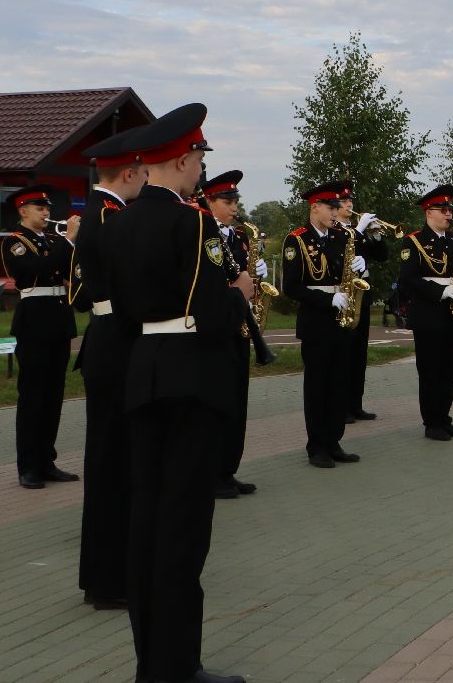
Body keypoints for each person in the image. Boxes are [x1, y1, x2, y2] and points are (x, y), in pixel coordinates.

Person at [108, 103, 251, 683]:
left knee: (146, 522)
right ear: (181, 159)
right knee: (183, 529)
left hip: (145, 372)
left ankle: (153, 661)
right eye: (196, 160)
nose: (199, 170)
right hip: (190, 377)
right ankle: (177, 666)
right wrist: (238, 291)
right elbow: (211, 309)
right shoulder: (193, 223)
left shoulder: (121, 221)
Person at [71, 124, 148, 612]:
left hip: (107, 341)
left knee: (109, 462)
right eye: (143, 170)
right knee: (113, 465)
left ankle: (104, 574)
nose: (146, 178)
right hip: (118, 343)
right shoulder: (112, 217)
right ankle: (109, 579)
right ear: (127, 172)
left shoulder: (99, 213)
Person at [281, 180, 372, 468]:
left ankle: (334, 441)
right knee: (318, 385)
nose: (336, 212)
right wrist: (326, 300)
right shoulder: (296, 240)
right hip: (317, 321)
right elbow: (292, 288)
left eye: (337, 207)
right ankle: (316, 446)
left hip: (341, 319)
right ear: (315, 207)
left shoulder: (341, 237)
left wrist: (362, 268)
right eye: (330, 207)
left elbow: (347, 271)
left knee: (339, 383)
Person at [1, 184, 81, 490]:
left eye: (47, 208)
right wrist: (69, 240)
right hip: (34, 319)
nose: (46, 213)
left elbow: (69, 269)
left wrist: (72, 245)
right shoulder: (15, 242)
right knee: (33, 396)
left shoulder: (51, 239)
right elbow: (38, 268)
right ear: (23, 211)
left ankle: (47, 461)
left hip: (58, 319)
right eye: (39, 208)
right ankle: (28, 466)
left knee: (53, 396)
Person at [200, 171, 266, 499]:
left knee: (238, 402)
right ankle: (212, 473)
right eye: (227, 201)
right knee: (219, 403)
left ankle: (228, 470)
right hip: (217, 327)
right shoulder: (205, 234)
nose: (234, 207)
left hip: (240, 326)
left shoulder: (238, 236)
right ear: (208, 201)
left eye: (236, 201)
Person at [397, 185, 453, 440]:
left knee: (451, 369)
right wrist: (439, 292)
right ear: (429, 213)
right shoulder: (414, 241)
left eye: (450, 209)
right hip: (429, 314)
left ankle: (444, 417)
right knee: (431, 371)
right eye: (443, 210)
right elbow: (408, 279)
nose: (449, 214)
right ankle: (432, 422)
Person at [327, 184, 390, 423]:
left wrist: (376, 236)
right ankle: (341, 407)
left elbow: (381, 256)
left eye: (350, 200)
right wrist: (361, 230)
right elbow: (344, 249)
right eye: (343, 201)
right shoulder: (335, 230)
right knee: (344, 353)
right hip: (342, 296)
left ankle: (356, 404)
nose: (349, 204)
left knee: (359, 353)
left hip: (360, 295)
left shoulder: (356, 230)